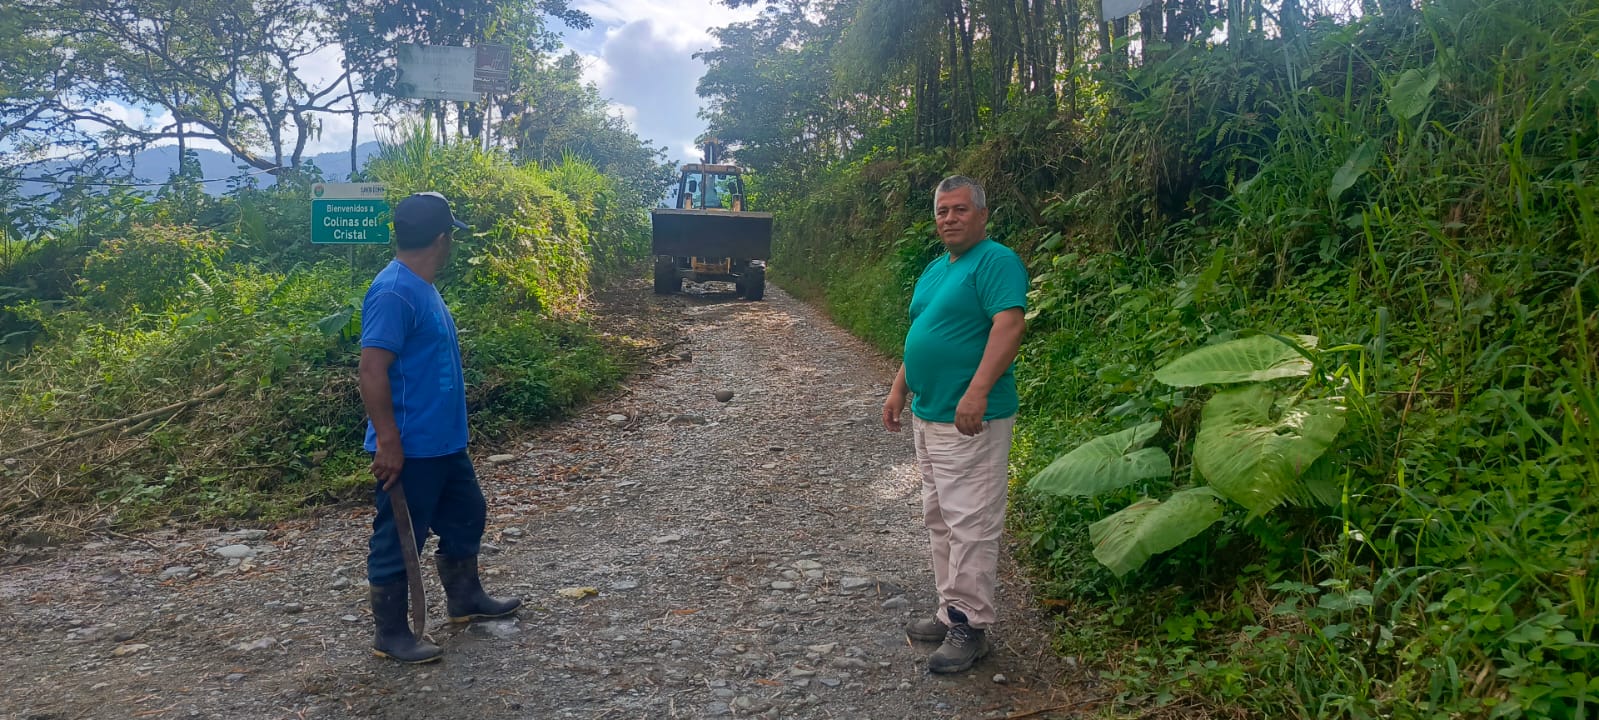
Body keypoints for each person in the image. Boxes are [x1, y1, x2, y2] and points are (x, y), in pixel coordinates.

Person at [359, 191, 522, 664]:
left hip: (444, 441)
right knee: (399, 537)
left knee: (468, 513)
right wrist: (388, 440)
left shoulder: (420, 285)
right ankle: (391, 634)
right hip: (412, 445)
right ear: (441, 238)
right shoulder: (393, 292)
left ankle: (465, 599)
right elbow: (371, 369)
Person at [881, 175, 1028, 674]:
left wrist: (978, 390)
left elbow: (1010, 324)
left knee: (972, 523)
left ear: (982, 215)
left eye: (960, 209)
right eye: (942, 211)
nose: (949, 218)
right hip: (930, 414)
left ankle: (971, 625)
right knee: (940, 518)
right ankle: (951, 611)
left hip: (971, 420)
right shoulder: (936, 269)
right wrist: (900, 388)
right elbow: (922, 332)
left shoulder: (995, 261)